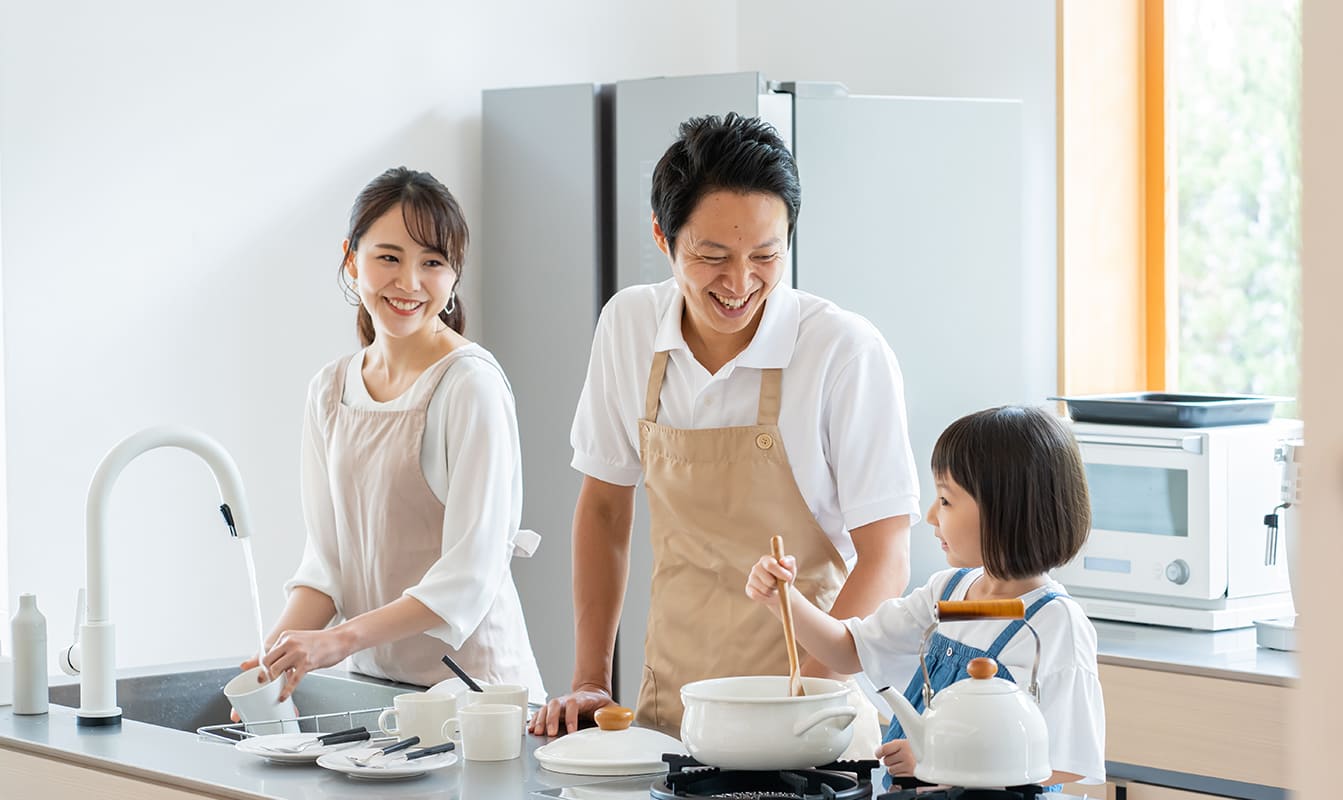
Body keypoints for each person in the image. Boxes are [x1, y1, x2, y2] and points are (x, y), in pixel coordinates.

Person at [530, 112, 922, 740]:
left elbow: (887, 556)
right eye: (712, 257)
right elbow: (604, 509)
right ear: (663, 237)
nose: (740, 284)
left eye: (766, 255)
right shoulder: (629, 325)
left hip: (811, 715)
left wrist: (809, 699)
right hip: (675, 708)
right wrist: (590, 682)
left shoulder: (843, 351)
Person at [241, 167, 545, 703]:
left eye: (432, 263)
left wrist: (337, 641)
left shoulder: (470, 385)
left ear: (453, 278)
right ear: (351, 258)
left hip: (476, 696)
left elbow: (468, 575)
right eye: (389, 257)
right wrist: (272, 663)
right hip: (379, 691)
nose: (409, 282)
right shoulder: (329, 390)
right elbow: (328, 563)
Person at [746, 405, 1106, 788]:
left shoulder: (1054, 625)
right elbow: (848, 651)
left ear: (1006, 511)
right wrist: (783, 599)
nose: (932, 515)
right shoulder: (948, 594)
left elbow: (1069, 761)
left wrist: (941, 761)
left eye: (947, 501)